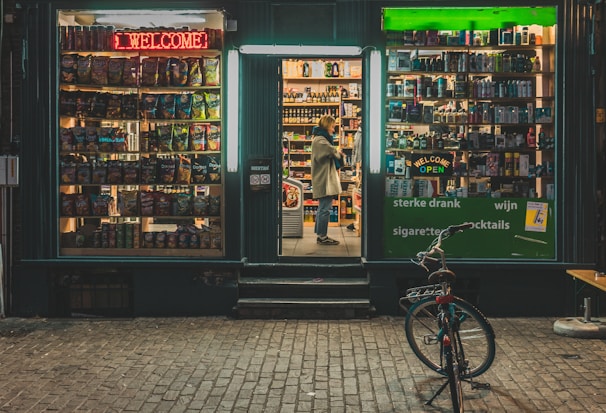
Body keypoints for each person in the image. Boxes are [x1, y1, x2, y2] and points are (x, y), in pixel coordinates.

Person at [311, 114, 344, 245]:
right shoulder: (320, 140)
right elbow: (332, 151)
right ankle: (322, 236)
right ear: (327, 126)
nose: (333, 129)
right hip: (324, 179)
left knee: (323, 208)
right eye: (332, 126)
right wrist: (338, 153)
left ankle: (320, 234)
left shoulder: (320, 139)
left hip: (324, 177)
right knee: (325, 208)